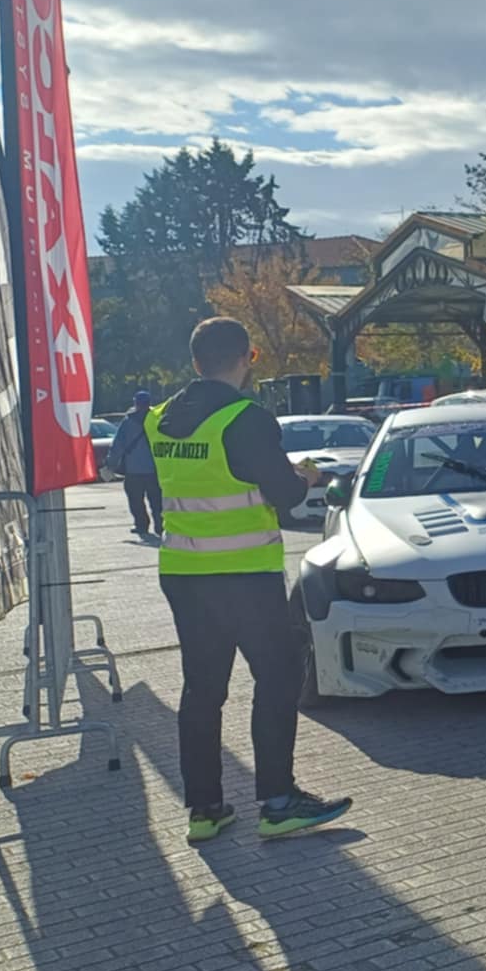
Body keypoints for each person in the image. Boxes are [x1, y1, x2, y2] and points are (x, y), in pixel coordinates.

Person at [148, 318, 349, 844]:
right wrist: (304, 476)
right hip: (243, 575)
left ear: (194, 363)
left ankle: (205, 809)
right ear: (248, 356)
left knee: (202, 690)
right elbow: (282, 494)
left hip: (184, 573)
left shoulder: (159, 419)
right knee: (279, 678)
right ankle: (278, 802)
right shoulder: (247, 418)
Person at [114, 389, 163, 537]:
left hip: (133, 470)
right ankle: (160, 526)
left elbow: (118, 445)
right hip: (154, 469)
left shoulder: (128, 422)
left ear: (135, 403)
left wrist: (110, 465)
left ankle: (141, 525)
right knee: (157, 501)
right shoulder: (157, 420)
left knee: (136, 501)